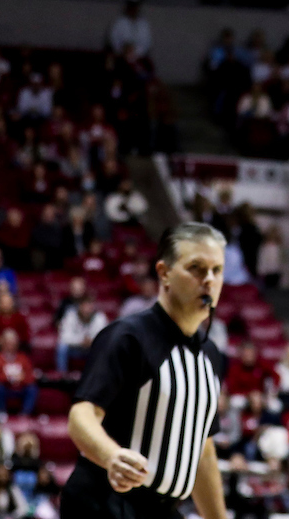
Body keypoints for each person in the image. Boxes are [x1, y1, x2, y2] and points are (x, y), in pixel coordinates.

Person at [61, 222, 228, 519]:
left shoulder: (211, 355)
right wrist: (111, 456)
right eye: (196, 268)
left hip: (162, 510)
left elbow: (202, 450)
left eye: (217, 270)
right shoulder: (129, 337)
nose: (209, 280)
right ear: (164, 273)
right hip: (105, 502)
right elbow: (81, 415)